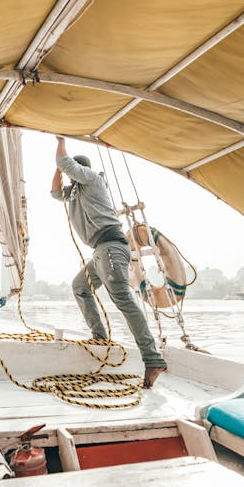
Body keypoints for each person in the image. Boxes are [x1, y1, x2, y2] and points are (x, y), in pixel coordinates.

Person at [51, 135, 167, 388]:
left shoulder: (92, 180)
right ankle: (100, 337)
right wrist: (58, 170)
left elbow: (65, 161)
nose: (72, 177)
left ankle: (152, 357)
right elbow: (53, 192)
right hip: (100, 251)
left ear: (82, 171)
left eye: (74, 172)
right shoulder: (74, 193)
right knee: (80, 287)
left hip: (111, 246)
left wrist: (60, 141)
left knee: (123, 298)